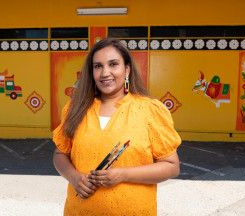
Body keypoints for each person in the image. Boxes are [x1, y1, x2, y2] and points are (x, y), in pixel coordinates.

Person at [53, 38, 181, 215]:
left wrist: (122, 175)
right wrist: (74, 178)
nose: (105, 73)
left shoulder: (149, 110)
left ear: (126, 69)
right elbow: (60, 154)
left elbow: (171, 166)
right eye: (98, 66)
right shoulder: (75, 108)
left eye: (113, 64)